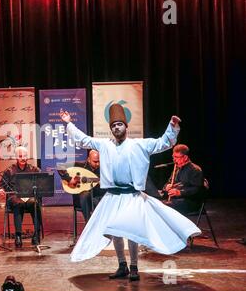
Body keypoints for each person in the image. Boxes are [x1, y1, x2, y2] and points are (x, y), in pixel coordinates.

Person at [60, 104, 200, 281]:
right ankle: (122, 265)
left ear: (126, 126)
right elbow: (83, 140)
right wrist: (69, 123)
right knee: (115, 231)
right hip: (112, 196)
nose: (116, 127)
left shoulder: (139, 145)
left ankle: (134, 266)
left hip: (131, 196)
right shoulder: (105, 145)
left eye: (119, 124)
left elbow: (163, 142)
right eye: (113, 125)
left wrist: (172, 127)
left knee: (132, 231)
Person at [0, 146, 42, 248]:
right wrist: (1, 190)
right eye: (20, 156)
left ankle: (36, 234)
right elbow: (1, 186)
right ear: (16, 157)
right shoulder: (9, 170)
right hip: (15, 198)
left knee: (35, 202)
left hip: (30, 197)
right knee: (18, 203)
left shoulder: (34, 169)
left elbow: (42, 181)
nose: (23, 158)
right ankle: (18, 235)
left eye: (25, 156)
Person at [58, 150, 106, 223]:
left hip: (96, 198)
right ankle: (89, 223)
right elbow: (60, 166)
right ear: (89, 160)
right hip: (82, 200)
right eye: (95, 161)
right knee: (85, 194)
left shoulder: (102, 170)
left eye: (99, 161)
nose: (98, 164)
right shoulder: (79, 165)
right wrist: (69, 179)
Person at [162, 144, 204, 215]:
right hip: (177, 200)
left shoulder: (195, 170)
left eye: (176, 157)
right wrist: (166, 186)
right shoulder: (177, 168)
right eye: (173, 156)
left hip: (191, 202)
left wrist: (180, 192)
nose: (174, 159)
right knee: (156, 204)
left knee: (164, 208)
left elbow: (197, 190)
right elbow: (168, 182)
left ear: (185, 157)